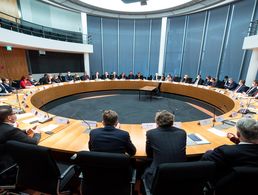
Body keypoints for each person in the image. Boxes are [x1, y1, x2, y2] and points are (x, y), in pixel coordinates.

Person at [142, 110, 187, 189]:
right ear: (172, 122)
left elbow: (149, 153)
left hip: (158, 177)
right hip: (181, 175)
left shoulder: (151, 133)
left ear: (157, 122)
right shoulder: (182, 132)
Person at [0, 105, 41, 181]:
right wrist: (37, 133)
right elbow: (33, 142)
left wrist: (25, 131)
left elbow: (7, 134)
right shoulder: (10, 130)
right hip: (8, 167)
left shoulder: (4, 128)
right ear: (9, 118)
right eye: (14, 113)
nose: (15, 115)